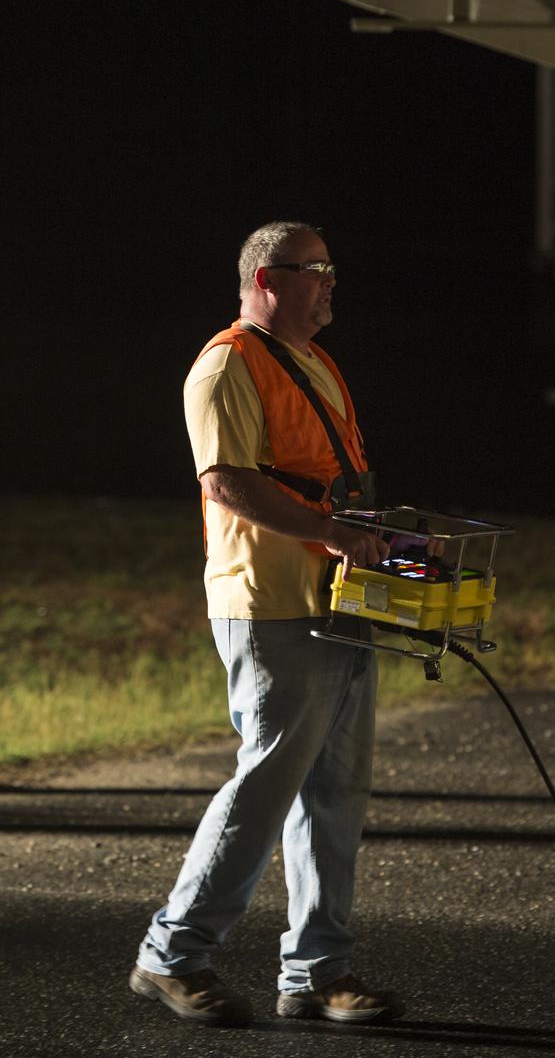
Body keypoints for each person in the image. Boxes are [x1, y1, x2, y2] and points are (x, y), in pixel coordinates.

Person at [129, 220, 405, 1028]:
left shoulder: (314, 362)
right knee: (265, 788)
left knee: (333, 794)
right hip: (271, 604)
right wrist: (335, 534)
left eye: (330, 268)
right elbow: (227, 482)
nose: (329, 282)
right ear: (265, 279)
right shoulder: (227, 364)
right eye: (313, 269)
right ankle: (171, 955)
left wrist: (369, 536)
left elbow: (326, 479)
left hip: (336, 600)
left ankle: (317, 975)